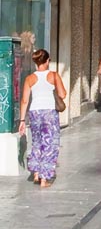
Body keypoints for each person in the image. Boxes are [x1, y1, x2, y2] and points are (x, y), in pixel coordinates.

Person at [18, 49, 66, 187]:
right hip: (49, 112)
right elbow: (62, 95)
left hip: (34, 112)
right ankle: (44, 178)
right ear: (47, 61)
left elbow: (24, 101)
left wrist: (22, 120)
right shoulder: (53, 75)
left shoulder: (29, 78)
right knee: (50, 144)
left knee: (37, 142)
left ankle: (36, 173)